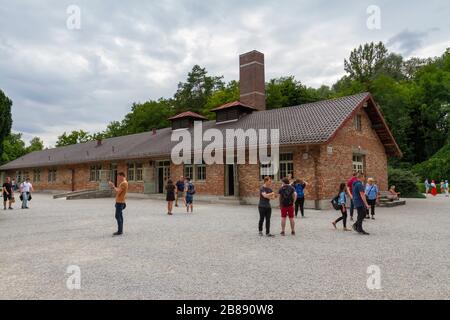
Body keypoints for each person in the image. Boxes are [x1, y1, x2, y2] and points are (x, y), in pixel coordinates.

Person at [108, 172, 128, 236]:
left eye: (119, 176)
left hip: (120, 202)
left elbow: (118, 192)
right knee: (120, 216)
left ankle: (120, 231)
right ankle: (120, 230)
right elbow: (119, 190)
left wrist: (113, 186)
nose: (118, 178)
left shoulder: (123, 183)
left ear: (122, 176)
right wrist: (114, 187)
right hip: (121, 201)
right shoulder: (124, 183)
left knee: (117, 216)